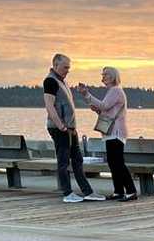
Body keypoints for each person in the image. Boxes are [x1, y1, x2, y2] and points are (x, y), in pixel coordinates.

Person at [43, 53, 104, 204]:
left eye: (69, 68)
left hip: (71, 128)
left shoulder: (62, 81)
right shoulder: (50, 81)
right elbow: (49, 105)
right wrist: (60, 126)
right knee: (63, 161)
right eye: (65, 67)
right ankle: (67, 193)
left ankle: (87, 192)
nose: (67, 70)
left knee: (78, 160)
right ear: (55, 65)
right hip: (61, 128)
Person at [76, 67, 137, 201]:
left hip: (116, 131)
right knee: (113, 162)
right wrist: (94, 105)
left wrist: (87, 94)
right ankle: (118, 191)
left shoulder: (115, 90)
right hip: (112, 132)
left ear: (112, 76)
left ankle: (131, 191)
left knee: (118, 163)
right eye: (102, 74)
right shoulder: (112, 91)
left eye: (105, 75)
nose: (103, 77)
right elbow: (106, 109)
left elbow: (104, 106)